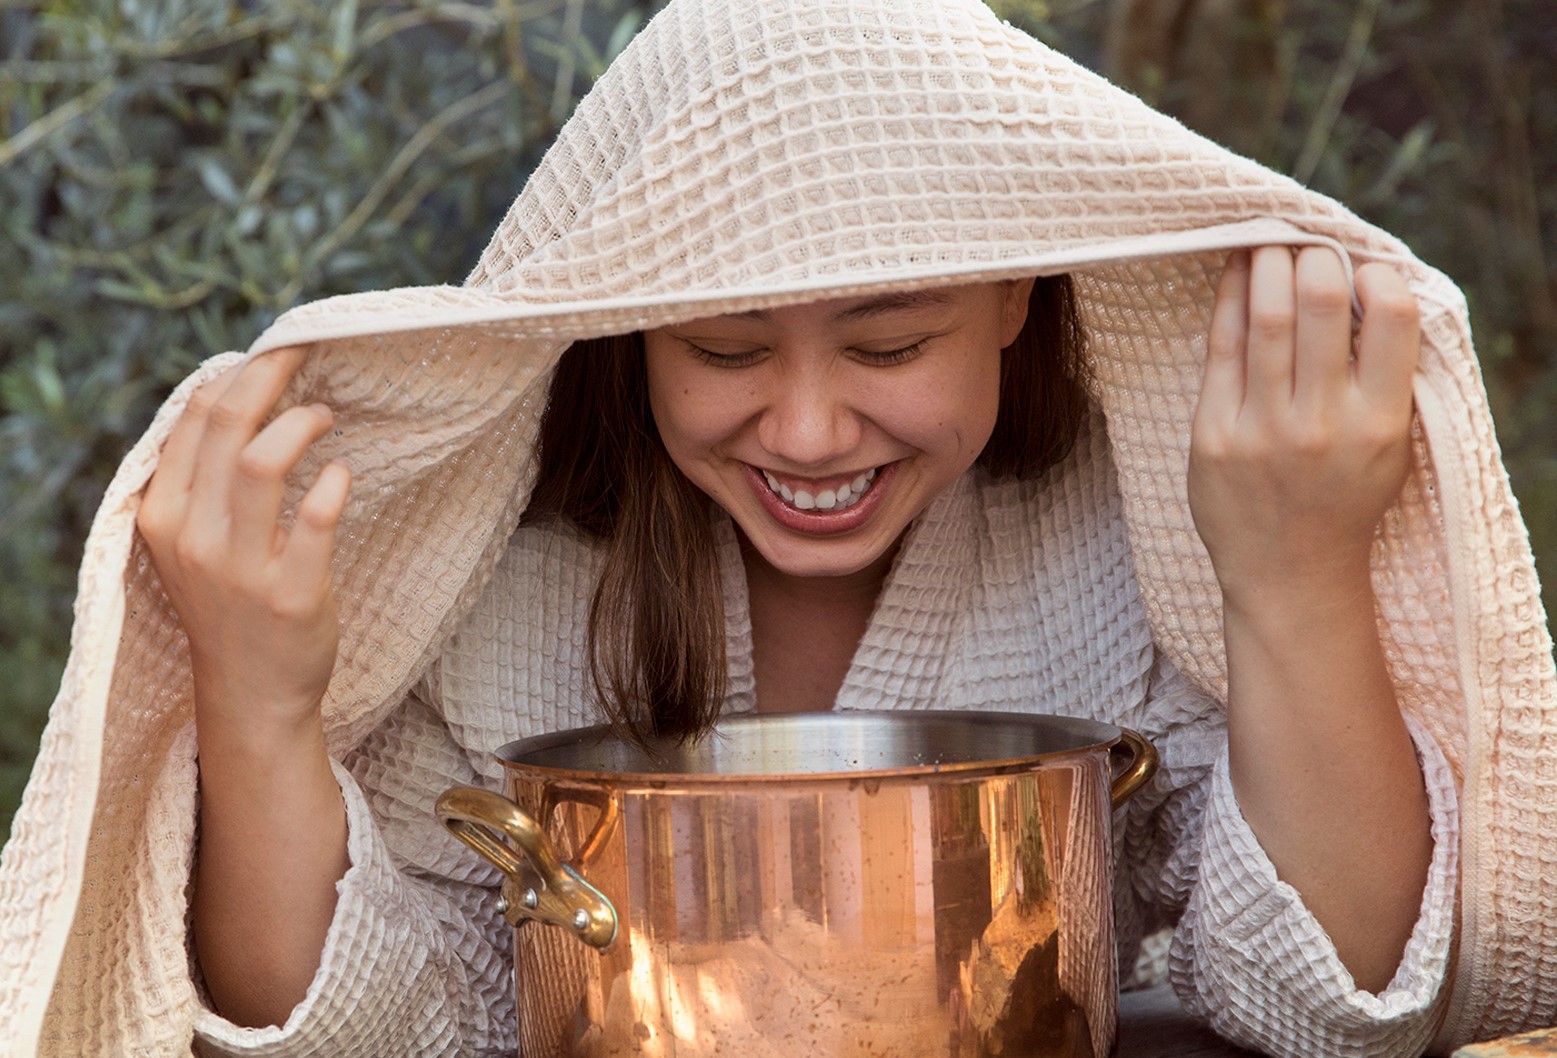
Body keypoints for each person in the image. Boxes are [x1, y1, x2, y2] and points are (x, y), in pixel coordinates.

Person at [0, 0, 1550, 1056]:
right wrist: (259, 701)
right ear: (628, 334)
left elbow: (1327, 1011)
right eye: (724, 350)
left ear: (1022, 293)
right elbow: (367, 1036)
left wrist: (1290, 572)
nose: (806, 431)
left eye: (887, 346)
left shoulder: (1134, 550)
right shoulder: (503, 595)